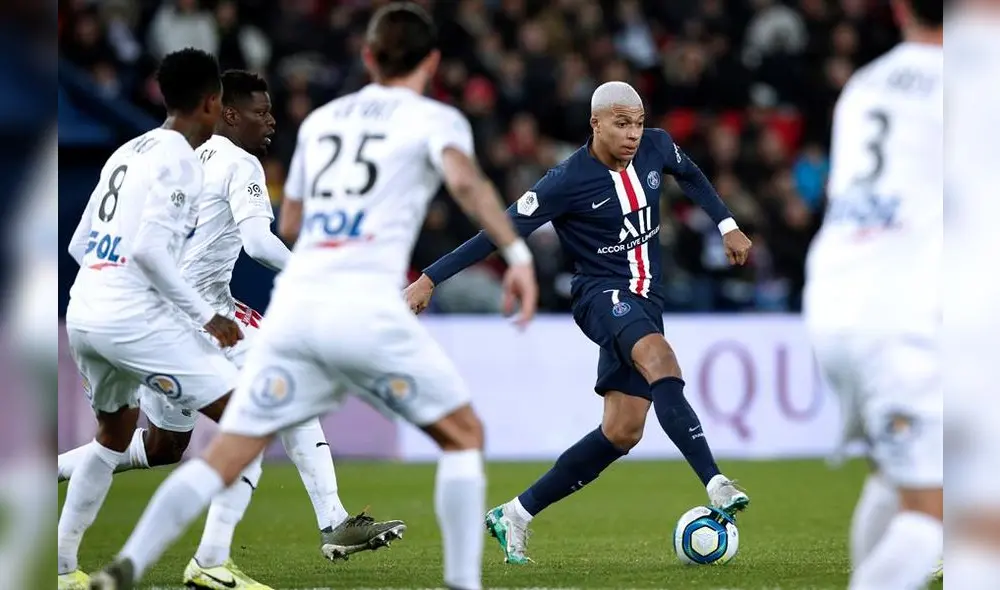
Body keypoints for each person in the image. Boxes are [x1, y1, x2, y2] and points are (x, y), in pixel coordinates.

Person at [88, 4, 538, 590]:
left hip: (297, 310)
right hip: (360, 304)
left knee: (230, 447)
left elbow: (295, 218)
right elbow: (465, 182)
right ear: (431, 61)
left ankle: (131, 564)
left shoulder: (324, 121)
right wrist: (520, 255)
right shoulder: (436, 119)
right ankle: (460, 583)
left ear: (370, 56)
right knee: (463, 436)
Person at [59, 69, 405, 589]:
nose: (271, 121)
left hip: (133, 315)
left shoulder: (155, 154)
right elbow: (259, 244)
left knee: (160, 447)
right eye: (260, 112)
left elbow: (81, 247)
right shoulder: (239, 163)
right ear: (224, 112)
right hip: (195, 317)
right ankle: (251, 546)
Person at [405, 80, 753, 565]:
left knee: (622, 431)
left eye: (637, 122)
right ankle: (716, 483)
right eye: (621, 123)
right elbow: (498, 232)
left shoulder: (656, 146)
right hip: (599, 295)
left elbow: (690, 173)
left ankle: (516, 514)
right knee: (661, 359)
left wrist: (727, 224)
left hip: (645, 299)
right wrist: (429, 279)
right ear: (595, 124)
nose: (633, 133)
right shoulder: (565, 181)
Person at [58, 47, 242, 590]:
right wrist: (208, 316)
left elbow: (77, 244)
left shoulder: (126, 151)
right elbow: (149, 254)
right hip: (130, 319)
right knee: (247, 418)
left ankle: (64, 568)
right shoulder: (182, 158)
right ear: (211, 103)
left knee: (113, 434)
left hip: (84, 309)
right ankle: (208, 560)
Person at [802, 1, 943, 588]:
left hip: (833, 295)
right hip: (902, 313)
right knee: (934, 519)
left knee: (894, 475)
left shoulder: (864, 83)